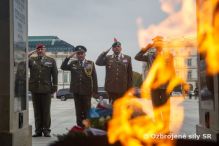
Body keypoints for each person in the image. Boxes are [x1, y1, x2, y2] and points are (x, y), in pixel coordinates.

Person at [135, 36, 173, 133]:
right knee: (156, 108)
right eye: (156, 43)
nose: (158, 44)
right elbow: (137, 57)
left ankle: (166, 128)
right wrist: (147, 47)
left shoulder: (169, 55)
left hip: (165, 86)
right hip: (154, 87)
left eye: (159, 42)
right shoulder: (150, 56)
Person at [61, 45, 98, 127]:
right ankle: (79, 126)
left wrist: (95, 91)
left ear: (85, 54)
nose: (80, 55)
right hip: (76, 91)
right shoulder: (73, 63)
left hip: (86, 91)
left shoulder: (90, 63)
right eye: (78, 54)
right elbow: (63, 67)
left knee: (87, 110)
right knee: (78, 110)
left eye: (82, 53)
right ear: (76, 55)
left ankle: (87, 126)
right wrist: (68, 57)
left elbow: (94, 78)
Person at [28, 44, 58, 137]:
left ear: (45, 50)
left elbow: (55, 74)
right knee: (37, 111)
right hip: (35, 89)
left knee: (45, 111)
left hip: (46, 89)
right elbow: (21, 59)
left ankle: (46, 130)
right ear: (36, 50)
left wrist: (55, 86)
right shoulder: (31, 60)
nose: (40, 50)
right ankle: (38, 130)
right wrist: (30, 53)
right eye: (38, 49)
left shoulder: (51, 60)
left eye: (42, 49)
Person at [96, 38, 133, 103]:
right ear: (112, 49)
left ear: (121, 48)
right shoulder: (108, 58)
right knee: (112, 107)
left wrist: (130, 88)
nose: (117, 48)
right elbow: (98, 62)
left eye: (118, 46)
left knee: (122, 107)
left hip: (123, 88)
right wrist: (104, 53)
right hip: (111, 88)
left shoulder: (127, 58)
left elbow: (130, 74)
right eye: (115, 47)